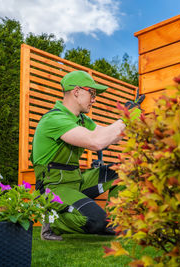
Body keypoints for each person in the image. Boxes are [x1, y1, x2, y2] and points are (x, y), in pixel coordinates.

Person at [31, 70, 143, 241]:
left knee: (126, 171)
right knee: (96, 221)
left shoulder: (82, 120)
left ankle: (116, 222)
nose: (94, 99)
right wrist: (124, 119)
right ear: (76, 92)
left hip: (77, 181)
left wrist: (132, 116)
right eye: (92, 93)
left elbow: (109, 137)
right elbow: (96, 141)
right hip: (53, 188)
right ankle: (52, 222)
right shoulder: (53, 119)